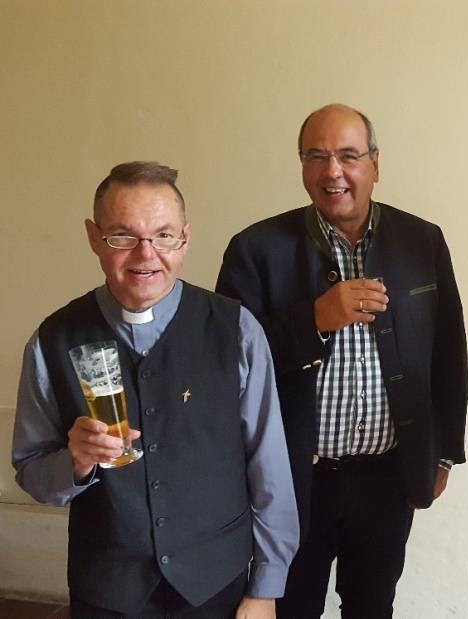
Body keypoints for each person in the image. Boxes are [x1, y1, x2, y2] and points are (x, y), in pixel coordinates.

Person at [12, 161, 298, 618]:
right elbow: (32, 473)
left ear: (185, 238)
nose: (146, 255)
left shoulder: (237, 330)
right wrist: (76, 462)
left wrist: (266, 587)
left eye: (163, 236)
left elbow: (270, 468)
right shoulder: (53, 340)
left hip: (216, 586)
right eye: (123, 236)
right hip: (107, 591)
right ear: (94, 237)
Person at [216, 103, 468, 618]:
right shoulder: (256, 248)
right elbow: (226, 364)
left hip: (388, 477)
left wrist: (443, 455)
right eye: (317, 156)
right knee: (292, 608)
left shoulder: (422, 241)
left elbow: (448, 352)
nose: (333, 171)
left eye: (348, 156)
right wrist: (313, 320)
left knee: (373, 607)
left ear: (375, 164)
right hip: (290, 480)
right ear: (302, 166)